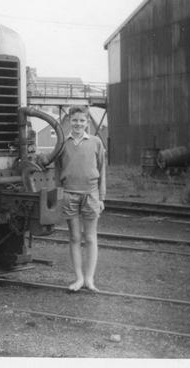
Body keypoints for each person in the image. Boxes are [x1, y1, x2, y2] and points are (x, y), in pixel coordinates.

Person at [55, 106, 106, 292]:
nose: (78, 124)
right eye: (75, 120)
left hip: (91, 195)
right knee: (75, 237)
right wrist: (60, 195)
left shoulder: (96, 142)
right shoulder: (62, 144)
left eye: (82, 121)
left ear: (87, 122)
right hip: (69, 195)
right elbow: (58, 171)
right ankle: (78, 278)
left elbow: (102, 171)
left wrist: (101, 197)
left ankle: (90, 279)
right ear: (69, 120)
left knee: (91, 238)